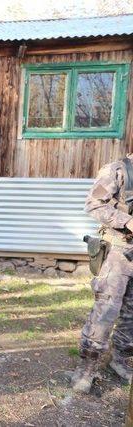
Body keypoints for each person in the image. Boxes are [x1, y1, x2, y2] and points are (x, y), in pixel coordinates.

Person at [71, 156, 133, 393]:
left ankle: (120, 360)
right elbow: (93, 203)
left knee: (131, 315)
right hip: (119, 252)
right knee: (106, 311)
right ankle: (86, 369)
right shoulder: (118, 170)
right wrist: (127, 221)